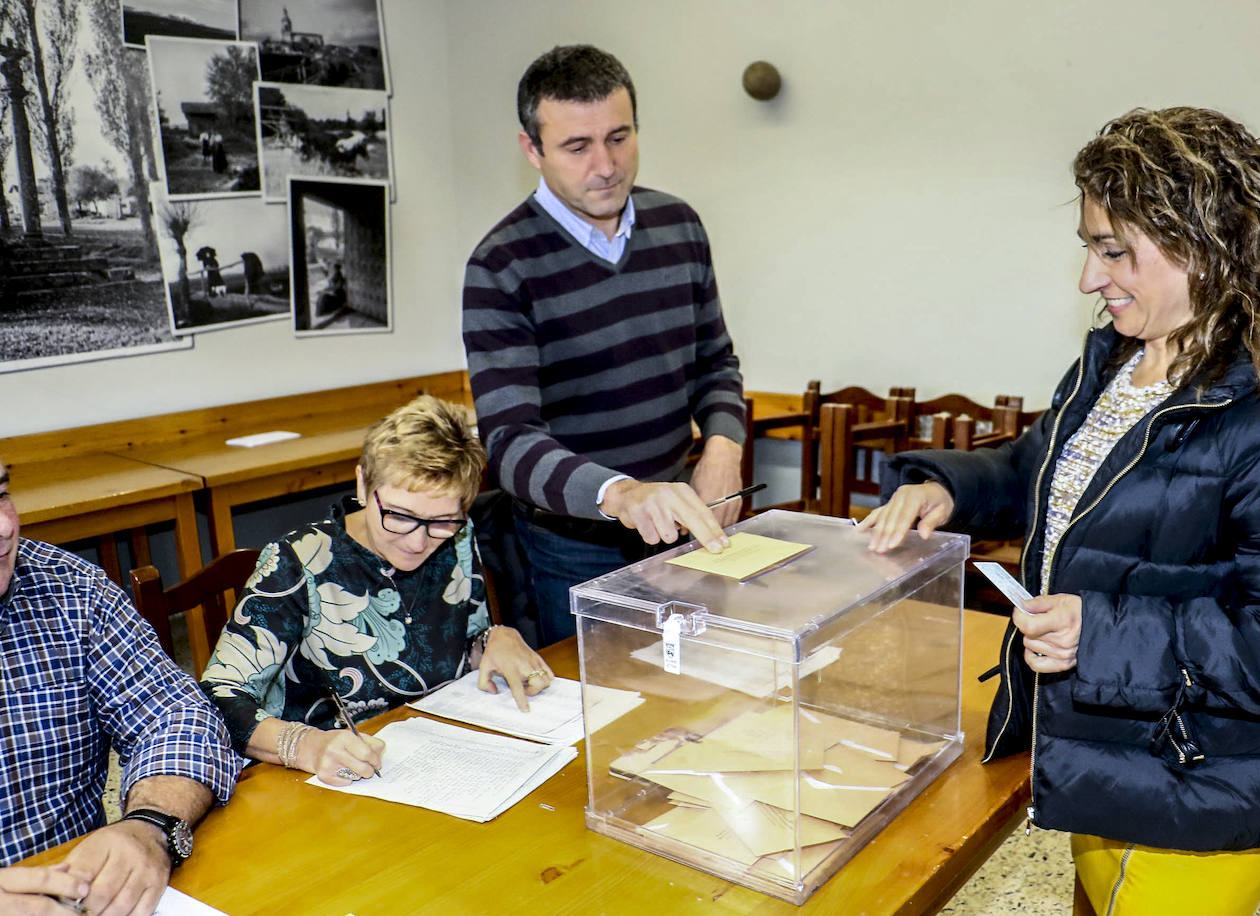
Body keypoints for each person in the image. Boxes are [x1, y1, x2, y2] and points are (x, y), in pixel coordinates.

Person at [860, 107, 1260, 914]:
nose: (1089, 279)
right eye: (1090, 248)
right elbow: (1044, 468)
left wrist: (1100, 634)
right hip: (1115, 749)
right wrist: (949, 486)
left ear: (1205, 248)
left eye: (1114, 251)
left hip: (1211, 785)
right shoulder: (1122, 361)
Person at [463, 44, 747, 645]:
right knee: (599, 714)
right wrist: (620, 493)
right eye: (577, 147)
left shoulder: (680, 226)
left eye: (619, 138)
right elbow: (510, 442)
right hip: (574, 545)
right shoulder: (501, 265)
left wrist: (722, 448)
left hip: (679, 527)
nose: (606, 165)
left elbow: (715, 362)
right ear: (531, 150)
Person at [200, 395, 551, 786]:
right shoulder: (298, 560)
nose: (418, 543)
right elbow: (218, 697)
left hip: (438, 762)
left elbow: (455, 647)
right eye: (399, 516)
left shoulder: (456, 537)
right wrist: (307, 746)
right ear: (363, 483)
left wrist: (493, 640)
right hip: (323, 782)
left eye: (441, 521)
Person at [0, 461, 240, 913]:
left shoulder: (69, 588)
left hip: (84, 897)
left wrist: (149, 825)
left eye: (1, 494)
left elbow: (175, 715)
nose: (4, 526)